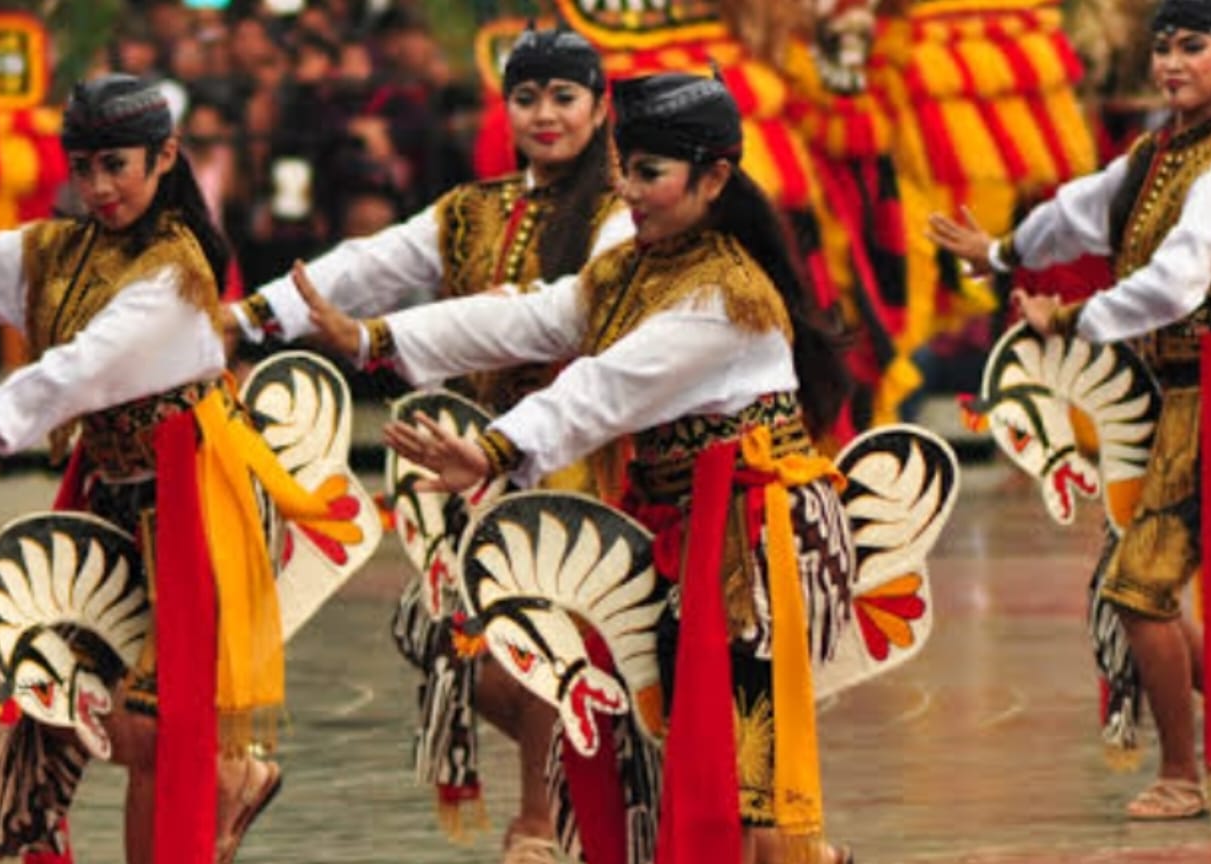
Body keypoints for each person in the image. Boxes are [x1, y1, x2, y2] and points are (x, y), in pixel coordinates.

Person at [294, 70, 855, 864]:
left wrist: (494, 448)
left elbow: (606, 388)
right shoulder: (639, 264)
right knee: (675, 754)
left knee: (742, 789)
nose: (628, 191)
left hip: (750, 548)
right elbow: (531, 317)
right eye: (626, 169)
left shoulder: (723, 295)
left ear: (716, 178)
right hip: (677, 529)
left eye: (650, 174)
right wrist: (374, 340)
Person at [0, 75, 343, 864]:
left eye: (117, 166)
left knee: (147, 727)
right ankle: (162, 800)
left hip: (197, 495)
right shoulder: (61, 250)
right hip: (113, 492)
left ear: (165, 157)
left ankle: (220, 783)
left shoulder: (176, 270)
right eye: (84, 167)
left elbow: (80, 369)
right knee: (51, 685)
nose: (97, 188)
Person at [232, 26, 635, 863]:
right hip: (482, 464)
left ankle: (538, 824)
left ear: (600, 109)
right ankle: (583, 800)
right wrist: (248, 318)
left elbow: (557, 313)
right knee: (458, 646)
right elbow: (364, 265)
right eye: (527, 98)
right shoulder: (472, 210)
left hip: (588, 456)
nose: (545, 114)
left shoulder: (622, 214)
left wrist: (381, 338)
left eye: (565, 97)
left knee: (543, 639)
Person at [929, 0, 1211, 821]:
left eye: (1194, 47)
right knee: (1135, 586)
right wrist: (1002, 254)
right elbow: (1079, 208)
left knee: (1138, 588)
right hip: (1173, 388)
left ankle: (1185, 773)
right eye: (1164, 47)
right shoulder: (1158, 152)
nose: (1173, 62)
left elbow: (1176, 280)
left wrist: (1070, 319)